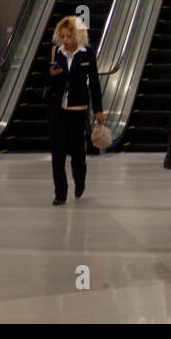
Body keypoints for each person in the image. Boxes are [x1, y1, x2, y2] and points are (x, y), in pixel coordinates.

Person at [44, 16, 105, 206]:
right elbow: (45, 80)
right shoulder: (55, 53)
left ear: (77, 36)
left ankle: (80, 181)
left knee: (78, 150)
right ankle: (60, 193)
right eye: (62, 36)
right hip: (58, 109)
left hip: (78, 109)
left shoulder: (87, 54)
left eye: (69, 36)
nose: (65, 40)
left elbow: (94, 83)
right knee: (58, 151)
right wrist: (51, 75)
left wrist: (98, 110)